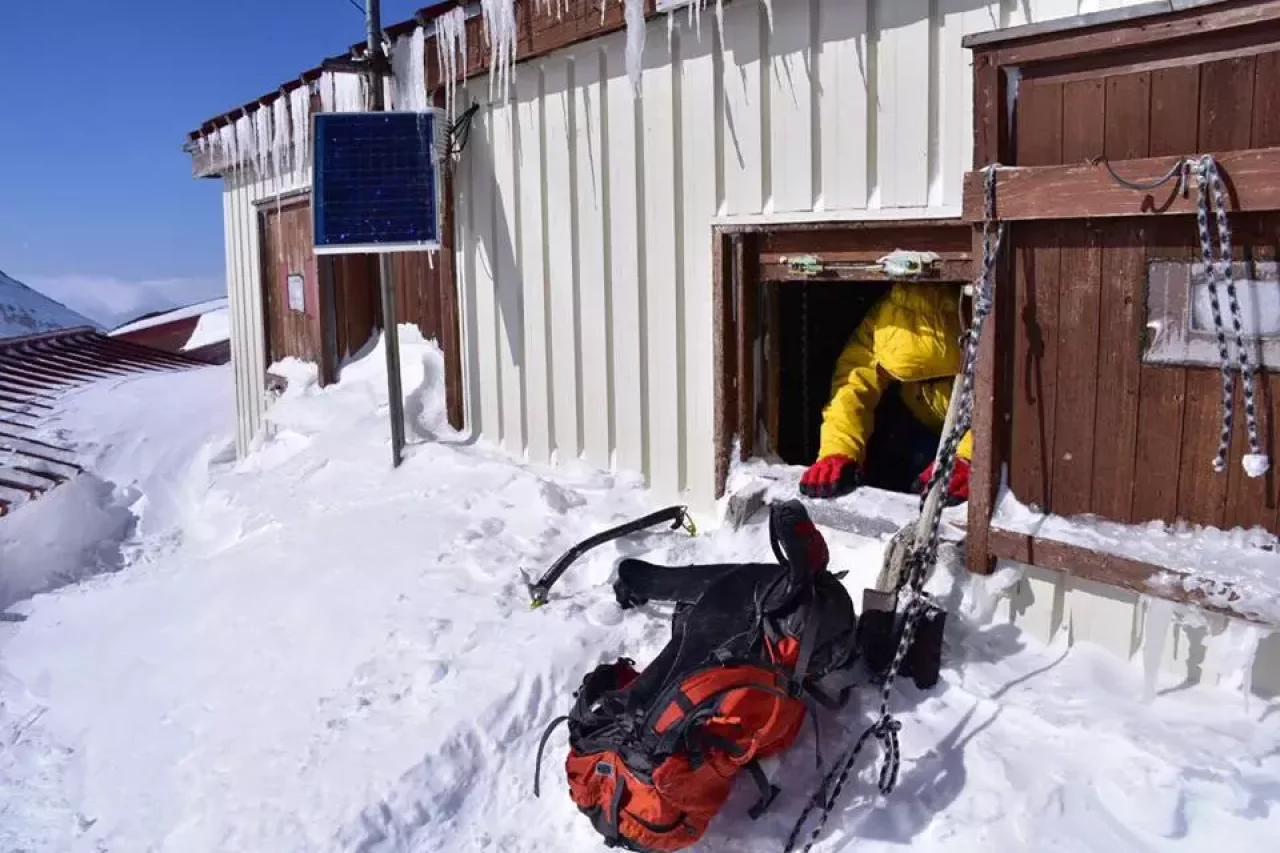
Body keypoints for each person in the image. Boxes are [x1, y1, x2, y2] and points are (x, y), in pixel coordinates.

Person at [799, 282, 972, 504]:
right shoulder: (886, 317)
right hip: (916, 424)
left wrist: (969, 456)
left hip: (972, 426)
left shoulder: (984, 313)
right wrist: (838, 449)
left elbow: (1011, 402)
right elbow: (853, 382)